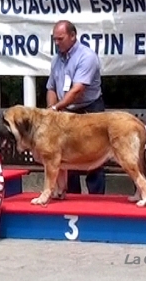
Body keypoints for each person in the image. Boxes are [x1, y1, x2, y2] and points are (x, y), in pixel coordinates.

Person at [45, 20, 106, 195]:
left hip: (89, 109)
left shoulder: (87, 56)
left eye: (60, 39)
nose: (56, 43)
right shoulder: (56, 59)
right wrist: (51, 109)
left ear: (72, 36)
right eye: (54, 39)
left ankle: (97, 200)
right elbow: (51, 87)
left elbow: (78, 90)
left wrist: (55, 109)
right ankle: (72, 197)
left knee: (93, 155)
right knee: (68, 156)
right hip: (66, 113)